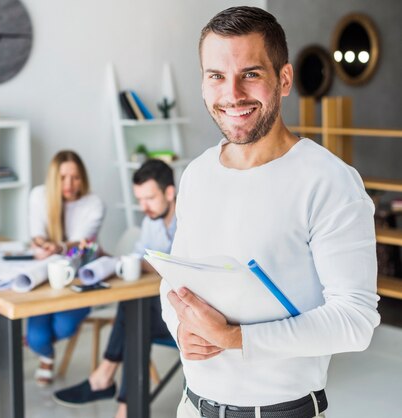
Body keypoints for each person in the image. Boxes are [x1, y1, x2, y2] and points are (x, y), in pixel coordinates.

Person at [162, 7, 380, 418]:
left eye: (250, 73)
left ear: (283, 79)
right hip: (192, 407)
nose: (232, 94)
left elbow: (355, 321)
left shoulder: (329, 181)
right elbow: (174, 280)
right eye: (216, 76)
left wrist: (236, 338)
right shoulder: (196, 174)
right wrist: (180, 329)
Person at [53, 159, 176, 418]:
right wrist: (108, 258)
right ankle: (123, 406)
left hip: (182, 314)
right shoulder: (150, 222)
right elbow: (137, 257)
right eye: (139, 199)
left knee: (136, 316)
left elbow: (183, 268)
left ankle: (104, 379)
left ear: (169, 192)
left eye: (150, 198)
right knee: (135, 314)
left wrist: (147, 264)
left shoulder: (190, 221)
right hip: (158, 307)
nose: (144, 206)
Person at [27, 150, 106, 386]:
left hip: (79, 274)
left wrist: (56, 246)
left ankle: (45, 356)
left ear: (83, 178)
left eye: (75, 177)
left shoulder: (94, 204)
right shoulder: (39, 196)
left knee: (65, 326)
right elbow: (36, 235)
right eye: (63, 178)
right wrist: (41, 244)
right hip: (45, 274)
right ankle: (45, 353)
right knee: (36, 338)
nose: (69, 184)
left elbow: (78, 246)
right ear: (53, 178)